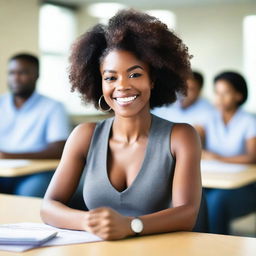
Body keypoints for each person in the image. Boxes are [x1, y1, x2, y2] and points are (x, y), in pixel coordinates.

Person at [41, 9, 202, 240]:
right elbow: (49, 206)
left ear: (153, 79)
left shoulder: (181, 136)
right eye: (111, 77)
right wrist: (89, 221)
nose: (122, 86)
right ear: (100, 83)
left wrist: (130, 225)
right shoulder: (84, 135)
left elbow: (187, 214)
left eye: (135, 75)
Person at [0, 53, 70, 197]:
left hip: (37, 172)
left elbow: (58, 149)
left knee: (30, 194)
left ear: (37, 75)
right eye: (12, 73)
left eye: (23, 73)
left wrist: (8, 155)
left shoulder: (53, 107)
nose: (16, 78)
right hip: (3, 171)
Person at [196, 71, 256, 234]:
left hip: (244, 187)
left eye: (226, 93)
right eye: (217, 93)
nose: (220, 98)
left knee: (217, 200)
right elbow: (194, 140)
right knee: (195, 197)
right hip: (216, 181)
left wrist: (219, 158)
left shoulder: (249, 121)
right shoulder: (209, 117)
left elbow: (252, 157)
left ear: (238, 95)